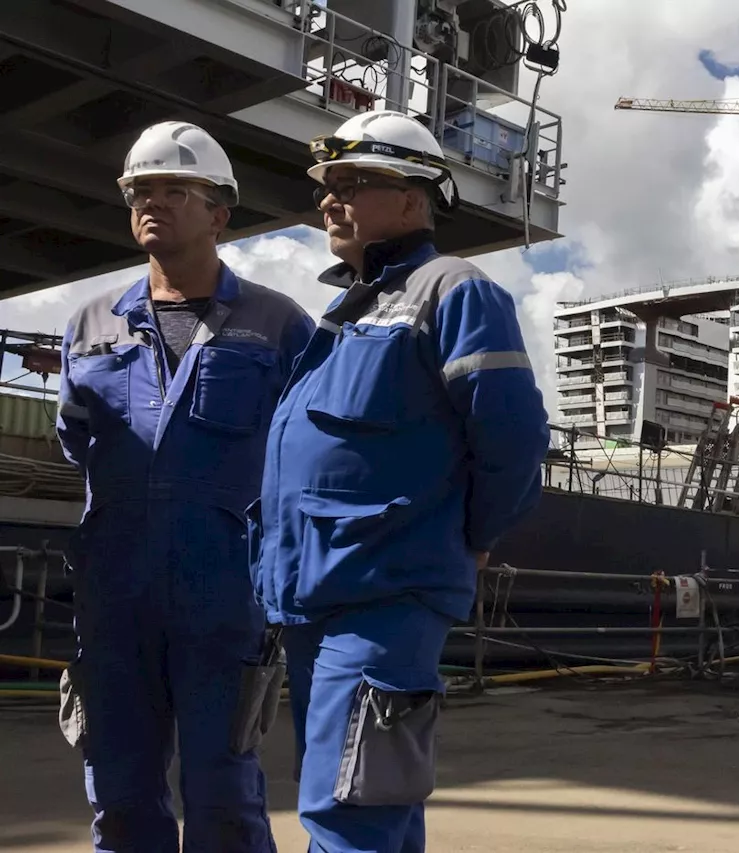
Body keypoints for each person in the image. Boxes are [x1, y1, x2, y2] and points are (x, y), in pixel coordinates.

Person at [249, 109, 550, 851]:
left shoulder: (454, 291)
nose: (330, 199)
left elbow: (514, 439)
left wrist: (474, 536)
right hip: (315, 599)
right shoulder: (347, 312)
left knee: (348, 810)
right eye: (326, 185)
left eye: (352, 183)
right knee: (369, 803)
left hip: (384, 597)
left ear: (414, 198)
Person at [55, 120, 315, 852]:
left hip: (226, 596)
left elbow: (305, 454)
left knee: (224, 797)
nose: (152, 203)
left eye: (176, 190)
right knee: (121, 795)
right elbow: (80, 442)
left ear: (221, 213)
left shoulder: (278, 325)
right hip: (114, 597)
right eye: (141, 190)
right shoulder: (91, 325)